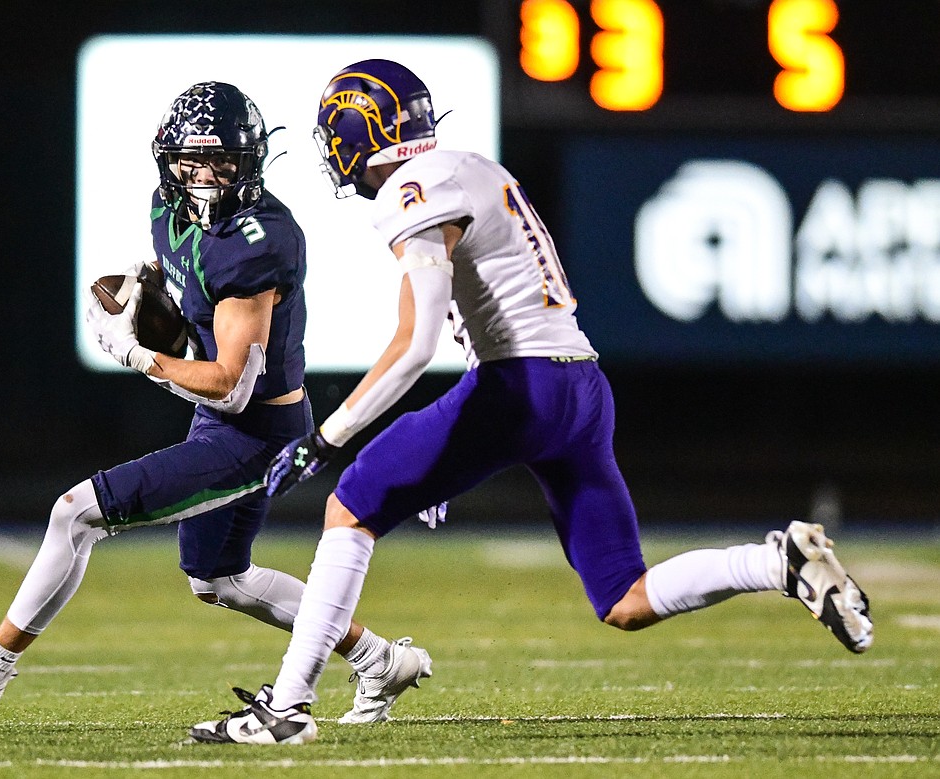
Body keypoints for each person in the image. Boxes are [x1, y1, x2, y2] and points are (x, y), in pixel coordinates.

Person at [187, 60, 874, 745]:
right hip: (580, 385)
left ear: (354, 130)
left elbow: (417, 341)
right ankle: (778, 561)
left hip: (522, 386)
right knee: (624, 599)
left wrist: (328, 436)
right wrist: (447, 454)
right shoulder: (470, 167)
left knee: (352, 501)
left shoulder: (412, 188)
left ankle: (289, 706)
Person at [0, 81, 430, 723]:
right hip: (227, 423)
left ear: (251, 162)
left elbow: (231, 386)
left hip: (257, 432)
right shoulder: (169, 211)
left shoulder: (256, 241)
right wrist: (151, 305)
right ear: (168, 163)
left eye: (222, 162)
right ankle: (377, 658)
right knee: (218, 578)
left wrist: (139, 355)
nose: (205, 177)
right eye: (191, 161)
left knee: (75, 513)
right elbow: (186, 298)